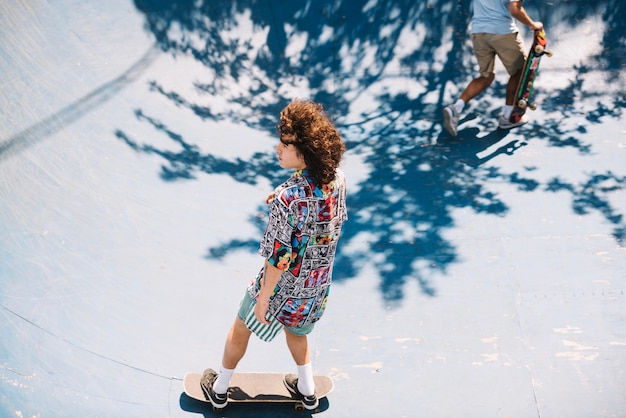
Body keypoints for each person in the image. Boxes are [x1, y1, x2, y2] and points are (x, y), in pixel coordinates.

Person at [200, 99, 348, 410]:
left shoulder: (288, 199)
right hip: (315, 287)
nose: (277, 149)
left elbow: (278, 257)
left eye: (285, 144)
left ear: (304, 151)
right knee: (297, 334)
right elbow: (317, 209)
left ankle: (220, 388)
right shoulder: (337, 179)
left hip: (281, 288)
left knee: (241, 327)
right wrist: (284, 193)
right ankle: (308, 392)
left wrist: (265, 296)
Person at [443, 0, 544, 136]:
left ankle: (456, 108)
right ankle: (507, 117)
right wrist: (533, 25)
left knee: (486, 76)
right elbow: (515, 9)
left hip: (478, 32)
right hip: (502, 32)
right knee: (520, 73)